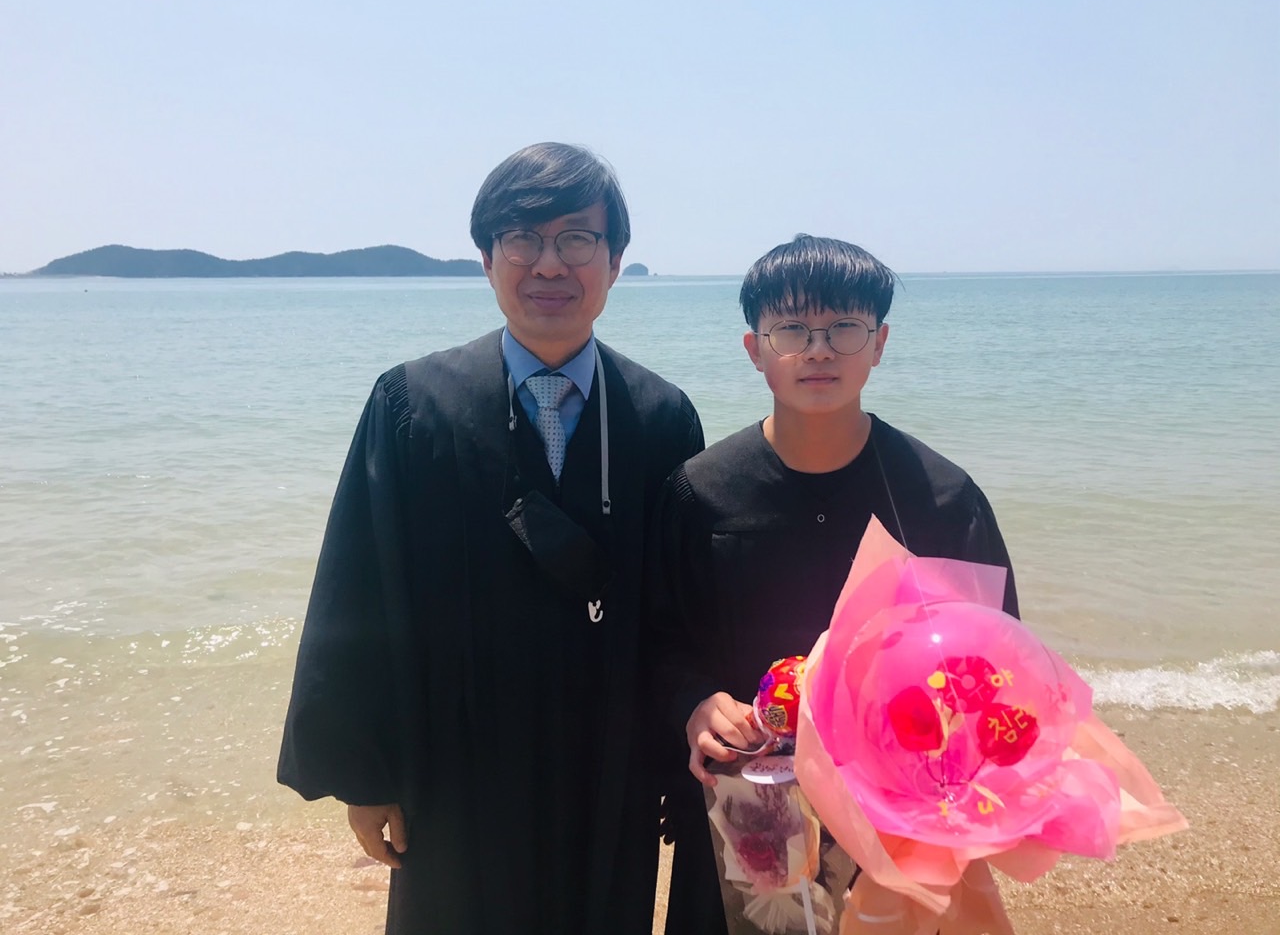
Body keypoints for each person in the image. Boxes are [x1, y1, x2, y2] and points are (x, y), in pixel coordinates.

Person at [278, 142, 705, 935]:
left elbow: (682, 611)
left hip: (608, 768)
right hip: (454, 766)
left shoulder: (660, 418)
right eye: (523, 239)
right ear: (485, 258)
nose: (550, 264)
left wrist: (682, 770)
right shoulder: (412, 405)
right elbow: (358, 587)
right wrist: (367, 774)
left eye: (577, 239)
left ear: (615, 262)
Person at [648, 234, 1020, 934]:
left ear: (879, 344)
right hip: (742, 804)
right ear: (755, 349)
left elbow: (995, 663)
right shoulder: (701, 494)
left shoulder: (940, 498)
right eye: (792, 329)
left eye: (843, 328)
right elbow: (657, 637)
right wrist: (694, 704)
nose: (818, 350)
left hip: (898, 817)